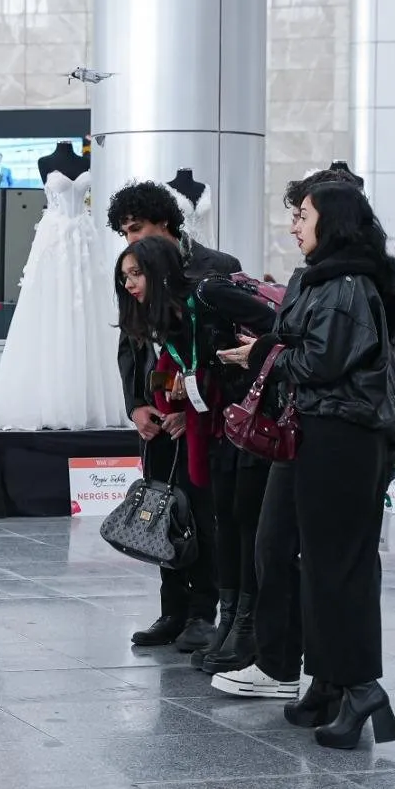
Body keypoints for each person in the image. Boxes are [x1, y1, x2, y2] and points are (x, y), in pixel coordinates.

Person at [218, 181, 395, 749]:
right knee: (320, 562)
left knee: (338, 566)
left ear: (331, 221)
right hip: (323, 431)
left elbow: (322, 361)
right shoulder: (332, 277)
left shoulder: (348, 283)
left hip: (343, 436)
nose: (293, 225)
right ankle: (330, 681)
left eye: (302, 215)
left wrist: (261, 352)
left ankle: (360, 688)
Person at [114, 238, 277, 662]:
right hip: (185, 426)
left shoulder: (205, 290)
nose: (130, 284)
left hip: (229, 427)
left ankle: (229, 623)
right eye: (125, 276)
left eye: (137, 273)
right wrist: (143, 404)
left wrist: (203, 399)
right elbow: (154, 366)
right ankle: (204, 620)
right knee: (180, 515)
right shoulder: (150, 314)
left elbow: (266, 332)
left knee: (221, 523)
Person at [107, 181, 242, 649]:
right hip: (157, 415)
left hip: (206, 418)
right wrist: (137, 405)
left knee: (203, 512)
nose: (130, 241)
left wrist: (199, 406)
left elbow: (228, 352)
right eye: (123, 233)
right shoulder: (133, 272)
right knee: (161, 509)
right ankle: (173, 610)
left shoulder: (217, 268)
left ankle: (204, 612)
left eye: (137, 228)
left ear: (165, 221)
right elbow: (130, 343)